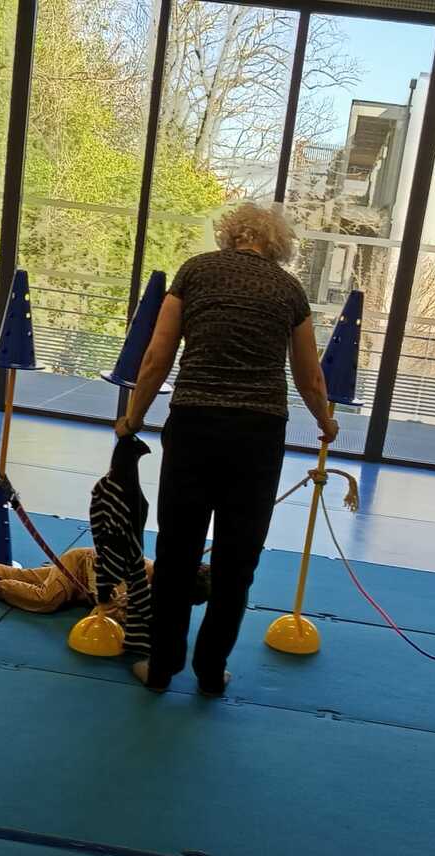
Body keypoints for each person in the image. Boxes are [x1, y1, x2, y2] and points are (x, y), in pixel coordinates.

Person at [114, 201, 337, 695]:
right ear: (279, 246)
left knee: (176, 552)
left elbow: (156, 357)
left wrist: (133, 418)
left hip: (194, 425)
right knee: (238, 560)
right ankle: (211, 672)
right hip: (258, 435)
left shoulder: (195, 272)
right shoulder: (289, 290)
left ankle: (161, 668)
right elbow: (310, 376)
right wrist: (326, 421)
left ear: (231, 234)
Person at [0, 550, 210, 627]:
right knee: (46, 599)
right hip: (79, 566)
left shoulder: (163, 591)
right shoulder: (140, 572)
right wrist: (116, 607)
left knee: (25, 576)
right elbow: (101, 611)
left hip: (84, 585)